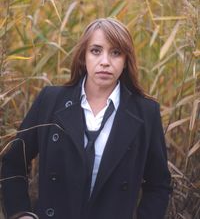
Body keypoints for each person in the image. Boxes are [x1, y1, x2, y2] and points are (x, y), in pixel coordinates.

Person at [1, 18, 172, 219]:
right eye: (96, 51)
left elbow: (158, 185)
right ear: (83, 56)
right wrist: (21, 214)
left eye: (116, 52)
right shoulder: (50, 100)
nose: (105, 61)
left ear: (126, 61)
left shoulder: (145, 112)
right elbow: (13, 162)